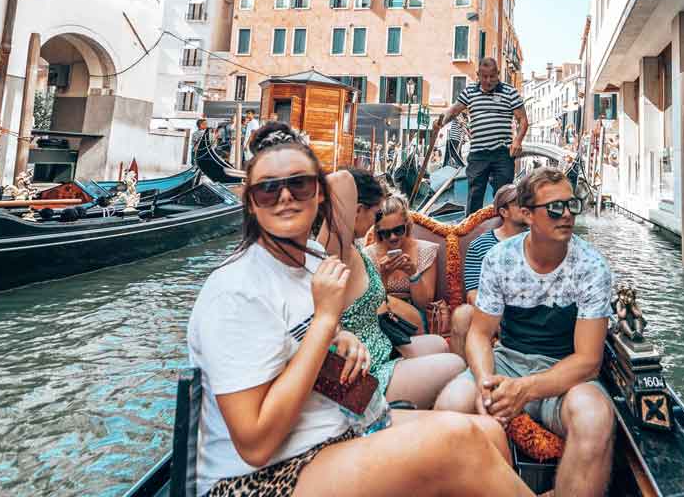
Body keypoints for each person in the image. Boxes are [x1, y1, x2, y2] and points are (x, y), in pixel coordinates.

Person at [186, 121, 532, 497]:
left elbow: (305, 350)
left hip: (334, 430)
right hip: (260, 478)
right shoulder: (236, 291)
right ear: (251, 203)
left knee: (490, 433)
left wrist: (340, 338)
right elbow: (255, 446)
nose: (284, 196)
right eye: (268, 189)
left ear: (318, 193)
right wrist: (326, 323)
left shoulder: (312, 260)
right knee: (460, 440)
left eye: (299, 183)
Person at [435, 166, 616, 497]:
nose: (567, 215)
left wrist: (526, 389)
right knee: (450, 402)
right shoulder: (500, 258)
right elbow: (479, 333)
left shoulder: (592, 267)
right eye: (555, 208)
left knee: (594, 417)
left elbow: (589, 361)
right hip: (507, 364)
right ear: (527, 214)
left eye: (571, 205)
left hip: (565, 375)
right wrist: (486, 382)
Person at [317, 167, 464, 407]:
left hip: (382, 347)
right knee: (456, 365)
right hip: (367, 374)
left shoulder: (351, 249)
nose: (378, 228)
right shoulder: (335, 249)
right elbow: (340, 180)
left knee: (439, 344)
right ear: (356, 210)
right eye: (376, 217)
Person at [433, 57, 528, 216]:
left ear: (498, 74)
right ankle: (471, 233)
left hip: (502, 153)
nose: (488, 80)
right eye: (484, 77)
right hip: (478, 153)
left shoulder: (510, 92)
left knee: (504, 196)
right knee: (475, 195)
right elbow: (454, 111)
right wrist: (441, 122)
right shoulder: (469, 91)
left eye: (492, 76)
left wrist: (517, 141)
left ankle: (503, 230)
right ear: (478, 75)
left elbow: (523, 120)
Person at [449, 183, 530, 360]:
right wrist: (500, 319)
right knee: (463, 314)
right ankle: (464, 374)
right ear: (504, 212)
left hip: (532, 308)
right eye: (518, 203)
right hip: (494, 311)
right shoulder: (480, 245)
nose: (526, 207)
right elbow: (473, 294)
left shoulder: (539, 241)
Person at [364, 194, 440, 328]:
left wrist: (413, 274)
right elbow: (371, 304)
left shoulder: (425, 250)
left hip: (415, 319)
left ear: (407, 225)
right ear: (378, 232)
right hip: (381, 318)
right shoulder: (368, 255)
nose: (393, 237)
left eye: (398, 230)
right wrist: (384, 276)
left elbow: (423, 304)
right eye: (386, 233)